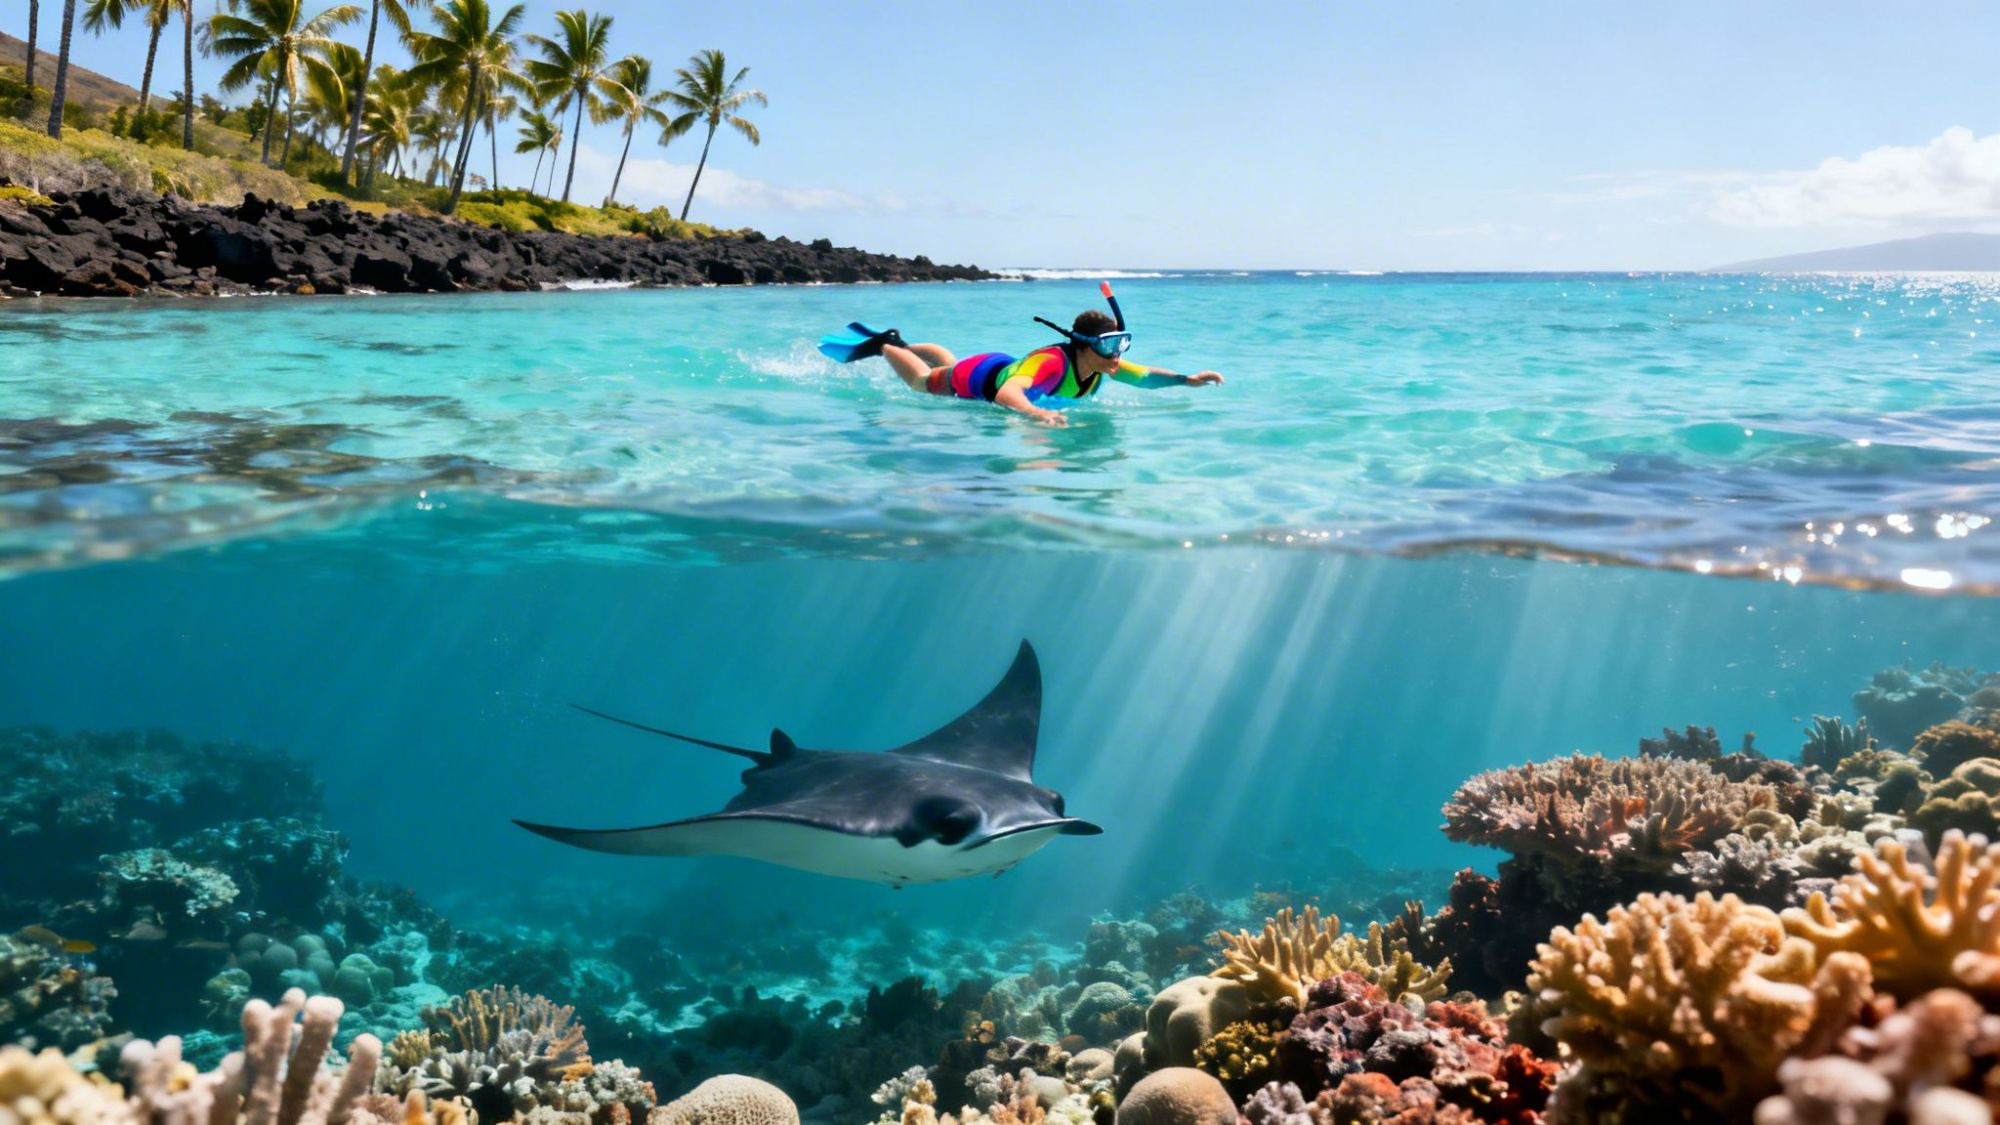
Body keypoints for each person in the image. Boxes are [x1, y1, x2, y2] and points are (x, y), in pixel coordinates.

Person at [817, 283, 1224, 428]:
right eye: (1107, 345)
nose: (1116, 354)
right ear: (1083, 345)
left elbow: (1146, 376)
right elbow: (1009, 394)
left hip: (990, 364)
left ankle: (902, 343)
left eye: (1121, 344)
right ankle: (885, 345)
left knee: (944, 365)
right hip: (981, 379)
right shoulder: (1050, 363)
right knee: (923, 383)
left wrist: (1187, 380)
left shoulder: (1105, 366)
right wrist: (1036, 414)